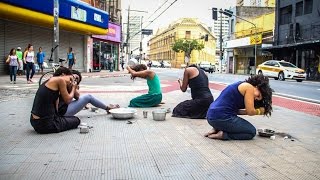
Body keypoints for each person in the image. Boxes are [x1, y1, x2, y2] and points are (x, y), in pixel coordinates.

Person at [205, 74, 273, 140]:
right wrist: (259, 111)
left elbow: (237, 111)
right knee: (251, 132)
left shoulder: (241, 84)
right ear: (257, 86)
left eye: (258, 99)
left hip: (211, 116)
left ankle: (217, 128)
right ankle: (223, 135)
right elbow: (250, 112)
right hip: (221, 117)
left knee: (240, 126)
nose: (256, 99)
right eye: (258, 96)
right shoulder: (249, 88)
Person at [30, 67, 80, 134]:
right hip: (45, 125)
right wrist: (73, 88)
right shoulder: (60, 80)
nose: (70, 82)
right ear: (63, 75)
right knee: (76, 120)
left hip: (34, 121)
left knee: (68, 118)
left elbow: (56, 103)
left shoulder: (49, 80)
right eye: (70, 79)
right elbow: (68, 100)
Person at [53, 69, 120, 116]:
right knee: (88, 97)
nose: (74, 80)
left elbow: (76, 97)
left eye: (76, 80)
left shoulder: (63, 82)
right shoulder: (64, 82)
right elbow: (76, 97)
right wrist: (73, 87)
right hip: (61, 112)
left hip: (59, 110)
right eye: (74, 77)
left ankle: (107, 107)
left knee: (85, 98)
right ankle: (108, 108)